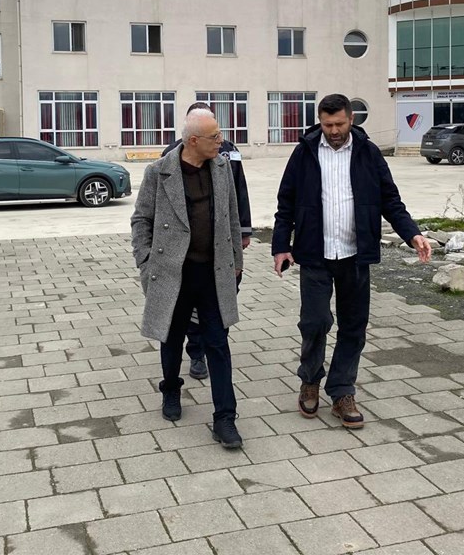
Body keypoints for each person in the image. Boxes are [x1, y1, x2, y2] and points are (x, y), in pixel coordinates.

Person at [272, 93, 432, 429]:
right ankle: (310, 381)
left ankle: (342, 391)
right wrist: (281, 246)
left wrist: (412, 234)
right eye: (327, 124)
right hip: (314, 254)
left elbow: (390, 200)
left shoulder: (368, 153)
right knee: (315, 322)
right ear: (320, 121)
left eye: (339, 124)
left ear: (351, 120)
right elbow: (286, 203)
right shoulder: (304, 152)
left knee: (353, 326)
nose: (333, 130)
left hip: (355, 255)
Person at [132, 108, 245, 448]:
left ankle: (225, 417)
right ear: (194, 141)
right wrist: (146, 262)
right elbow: (141, 220)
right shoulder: (159, 172)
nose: (221, 140)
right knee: (171, 336)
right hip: (173, 272)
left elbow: (232, 216)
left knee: (218, 343)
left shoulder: (222, 168)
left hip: (212, 272)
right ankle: (171, 388)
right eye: (215, 136)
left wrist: (236, 263)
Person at [162, 102, 252, 381]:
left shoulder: (228, 151)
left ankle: (215, 345)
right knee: (188, 311)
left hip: (221, 248)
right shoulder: (169, 156)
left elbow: (239, 191)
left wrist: (243, 232)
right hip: (186, 255)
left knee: (223, 301)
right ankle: (196, 352)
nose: (217, 138)